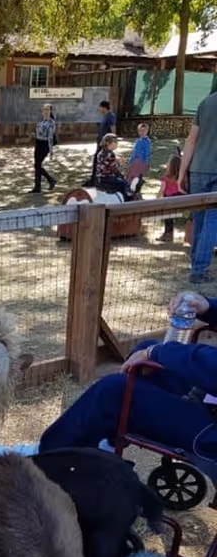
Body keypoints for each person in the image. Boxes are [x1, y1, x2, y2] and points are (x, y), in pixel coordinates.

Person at [37, 291, 217, 466]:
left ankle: (49, 457)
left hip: (210, 434)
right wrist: (208, 307)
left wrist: (157, 352)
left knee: (114, 390)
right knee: (147, 354)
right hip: (210, 396)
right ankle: (107, 443)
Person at [178, 90, 217, 283]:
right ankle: (199, 270)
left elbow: (191, 140)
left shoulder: (205, 102)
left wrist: (182, 173)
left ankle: (196, 266)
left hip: (198, 170)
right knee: (213, 222)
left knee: (199, 221)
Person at [86, 100, 116, 187]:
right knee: (97, 160)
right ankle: (93, 179)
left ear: (103, 107)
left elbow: (113, 129)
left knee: (100, 161)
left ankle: (98, 180)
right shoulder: (105, 116)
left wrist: (113, 141)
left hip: (106, 144)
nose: (99, 109)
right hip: (100, 142)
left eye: (100, 107)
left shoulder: (110, 116)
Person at [95, 134, 133, 199]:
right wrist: (121, 175)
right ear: (108, 143)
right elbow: (114, 169)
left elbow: (108, 163)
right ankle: (127, 200)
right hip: (107, 178)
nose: (116, 144)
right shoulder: (111, 154)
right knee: (123, 183)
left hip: (100, 177)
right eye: (115, 142)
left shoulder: (101, 152)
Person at [29, 103, 56, 193]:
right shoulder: (41, 122)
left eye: (47, 110)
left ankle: (40, 185)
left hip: (44, 145)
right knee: (37, 165)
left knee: (37, 165)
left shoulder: (51, 123)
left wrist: (51, 150)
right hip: (38, 143)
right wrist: (34, 135)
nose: (45, 111)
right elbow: (39, 133)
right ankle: (47, 182)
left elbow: (50, 137)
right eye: (44, 109)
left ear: (50, 111)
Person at [157, 151, 182, 242]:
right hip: (177, 200)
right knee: (169, 217)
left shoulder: (166, 177)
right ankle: (168, 234)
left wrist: (157, 198)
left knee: (167, 218)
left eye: (168, 162)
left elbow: (162, 189)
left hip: (167, 200)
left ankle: (168, 234)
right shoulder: (180, 176)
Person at [126, 122, 151, 187]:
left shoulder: (147, 141)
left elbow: (147, 153)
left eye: (143, 131)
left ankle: (136, 186)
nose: (142, 132)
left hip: (141, 161)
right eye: (140, 131)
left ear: (147, 131)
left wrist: (146, 162)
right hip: (135, 160)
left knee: (137, 175)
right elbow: (134, 152)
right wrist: (131, 160)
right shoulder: (138, 140)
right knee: (131, 174)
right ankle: (130, 185)